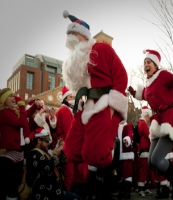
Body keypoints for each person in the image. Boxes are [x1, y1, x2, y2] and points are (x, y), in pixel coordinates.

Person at [61, 10, 128, 175]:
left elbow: (121, 76)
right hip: (85, 106)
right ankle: (100, 151)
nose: (71, 37)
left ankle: (111, 149)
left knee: (96, 155)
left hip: (104, 105)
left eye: (74, 33)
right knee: (71, 151)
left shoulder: (102, 49)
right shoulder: (77, 60)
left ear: (83, 35)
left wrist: (112, 107)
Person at [128, 44, 173, 199]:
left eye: (148, 62)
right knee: (151, 162)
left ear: (155, 64)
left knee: (157, 160)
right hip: (158, 121)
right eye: (144, 62)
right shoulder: (148, 82)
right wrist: (135, 93)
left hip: (170, 120)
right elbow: (147, 95)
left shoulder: (163, 75)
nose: (145, 65)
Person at [25, 127, 79, 200]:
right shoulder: (34, 154)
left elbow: (58, 166)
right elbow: (48, 166)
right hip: (45, 195)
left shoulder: (43, 153)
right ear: (39, 140)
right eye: (46, 141)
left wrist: (61, 151)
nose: (49, 143)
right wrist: (55, 154)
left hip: (54, 193)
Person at [0, 88, 30, 200]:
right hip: (8, 154)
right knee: (9, 188)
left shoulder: (12, 112)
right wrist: (22, 105)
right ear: (4, 100)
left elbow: (25, 117)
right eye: (11, 96)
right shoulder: (4, 113)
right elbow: (22, 122)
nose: (14, 97)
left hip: (17, 152)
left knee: (15, 186)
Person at [53, 85, 75, 191]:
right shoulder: (65, 110)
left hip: (63, 144)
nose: (72, 99)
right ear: (65, 98)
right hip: (66, 145)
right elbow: (68, 131)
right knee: (68, 174)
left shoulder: (63, 110)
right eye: (70, 97)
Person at [137, 106, 153, 197]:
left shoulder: (142, 123)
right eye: (148, 115)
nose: (149, 117)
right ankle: (141, 189)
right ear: (146, 114)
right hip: (144, 149)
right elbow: (148, 135)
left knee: (146, 170)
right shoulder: (143, 124)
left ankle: (144, 187)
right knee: (143, 170)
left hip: (145, 149)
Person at [117, 120, 134, 200]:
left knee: (127, 172)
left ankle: (127, 192)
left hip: (126, 154)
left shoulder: (127, 126)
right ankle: (121, 191)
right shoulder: (116, 126)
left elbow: (129, 134)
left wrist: (127, 139)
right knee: (120, 173)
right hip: (118, 154)